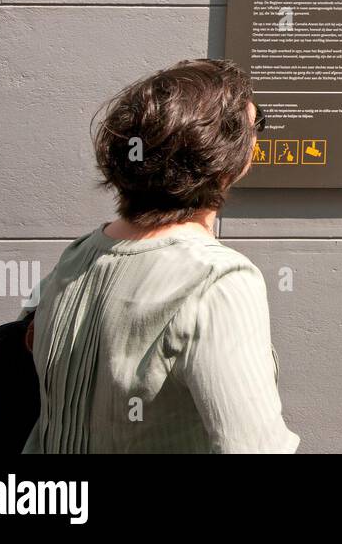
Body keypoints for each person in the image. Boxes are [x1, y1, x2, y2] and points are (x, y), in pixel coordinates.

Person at [23, 59, 298, 453]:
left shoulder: (77, 257)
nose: (258, 138)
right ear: (224, 158)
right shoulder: (217, 281)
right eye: (257, 126)